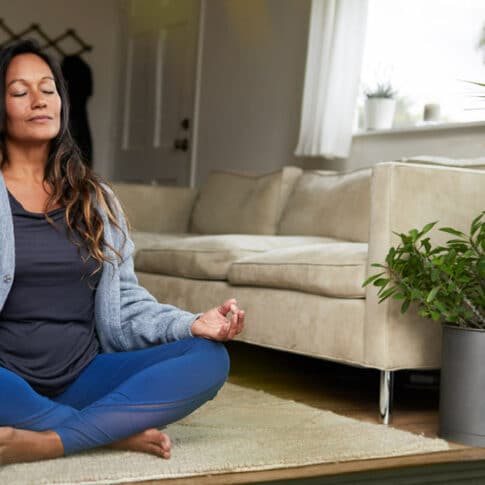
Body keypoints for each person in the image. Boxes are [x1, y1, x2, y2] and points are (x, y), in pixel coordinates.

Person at [0, 38, 245, 465]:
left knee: (208, 358)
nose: (39, 101)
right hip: (7, 379)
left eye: (48, 88)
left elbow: (126, 306)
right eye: (20, 92)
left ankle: (53, 438)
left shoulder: (96, 199)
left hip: (84, 374)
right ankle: (111, 431)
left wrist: (192, 324)